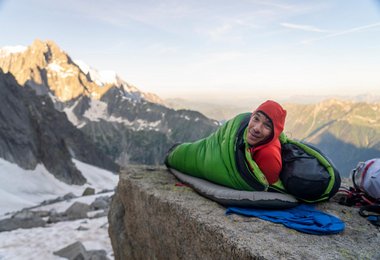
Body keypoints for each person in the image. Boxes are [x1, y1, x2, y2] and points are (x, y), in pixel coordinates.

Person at [165, 100, 287, 191]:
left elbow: (265, 184)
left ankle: (174, 153)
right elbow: (211, 146)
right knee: (194, 151)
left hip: (185, 155)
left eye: (267, 126)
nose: (256, 128)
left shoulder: (269, 156)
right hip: (198, 148)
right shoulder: (242, 126)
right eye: (256, 119)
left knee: (190, 156)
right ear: (251, 116)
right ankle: (175, 151)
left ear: (274, 132)